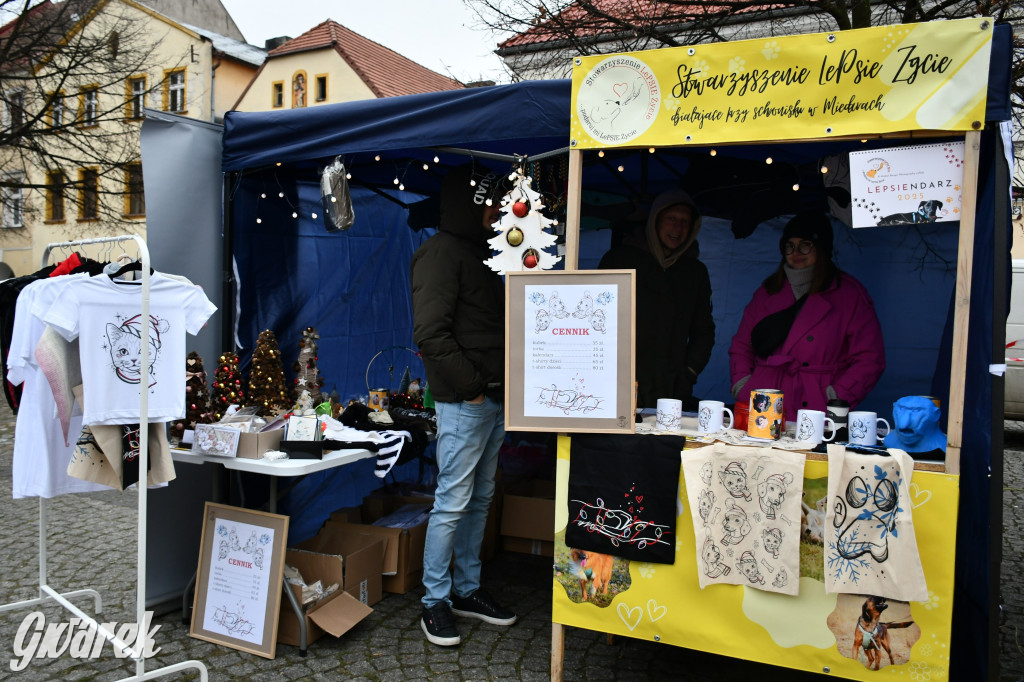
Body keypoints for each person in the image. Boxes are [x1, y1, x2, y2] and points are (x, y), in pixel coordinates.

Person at [410, 164, 516, 647]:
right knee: (452, 501)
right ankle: (434, 599)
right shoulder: (439, 253)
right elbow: (430, 334)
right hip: (466, 399)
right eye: (490, 203)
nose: (497, 211)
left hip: (492, 399)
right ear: (469, 204)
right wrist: (473, 387)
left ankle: (466, 590)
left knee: (479, 499)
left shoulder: (485, 252)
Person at [729, 211, 884, 422]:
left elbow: (869, 358)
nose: (796, 252)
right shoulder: (767, 291)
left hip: (816, 405)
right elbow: (741, 345)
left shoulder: (849, 294)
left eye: (805, 244)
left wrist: (837, 396)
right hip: (764, 400)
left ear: (821, 248)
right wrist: (743, 384)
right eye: (789, 245)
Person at [598, 188, 715, 410]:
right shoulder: (618, 260)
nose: (678, 228)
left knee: (664, 444)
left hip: (671, 387)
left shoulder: (695, 272)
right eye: (671, 219)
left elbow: (704, 331)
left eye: (685, 222)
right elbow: (596, 322)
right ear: (655, 220)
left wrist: (689, 372)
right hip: (619, 383)